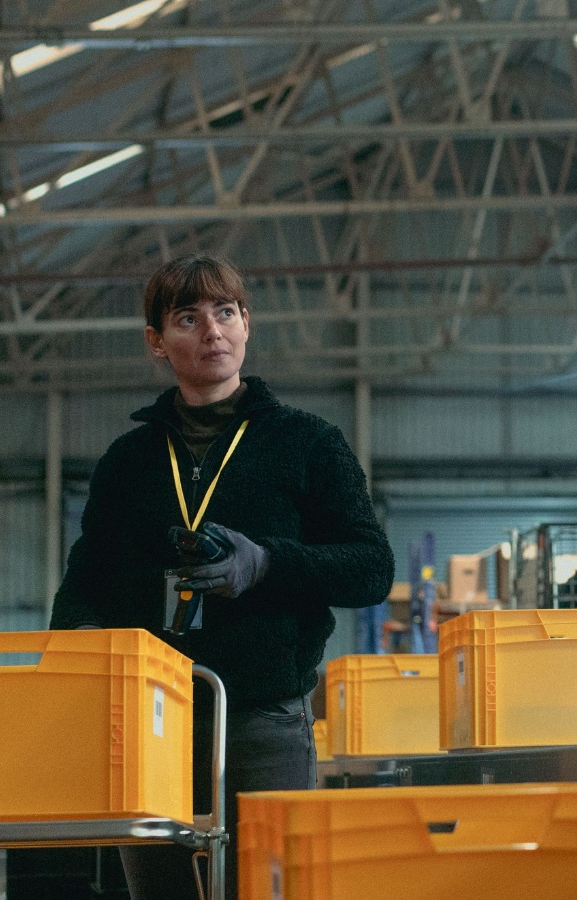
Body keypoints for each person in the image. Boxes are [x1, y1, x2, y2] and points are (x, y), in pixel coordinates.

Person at [47, 255, 394, 900]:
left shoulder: (307, 443)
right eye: (188, 317)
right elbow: (83, 583)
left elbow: (371, 569)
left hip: (265, 719)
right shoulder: (129, 461)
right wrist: (80, 652)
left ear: (245, 326)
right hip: (152, 721)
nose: (212, 331)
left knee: (266, 889)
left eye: (225, 312)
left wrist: (268, 564)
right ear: (158, 343)